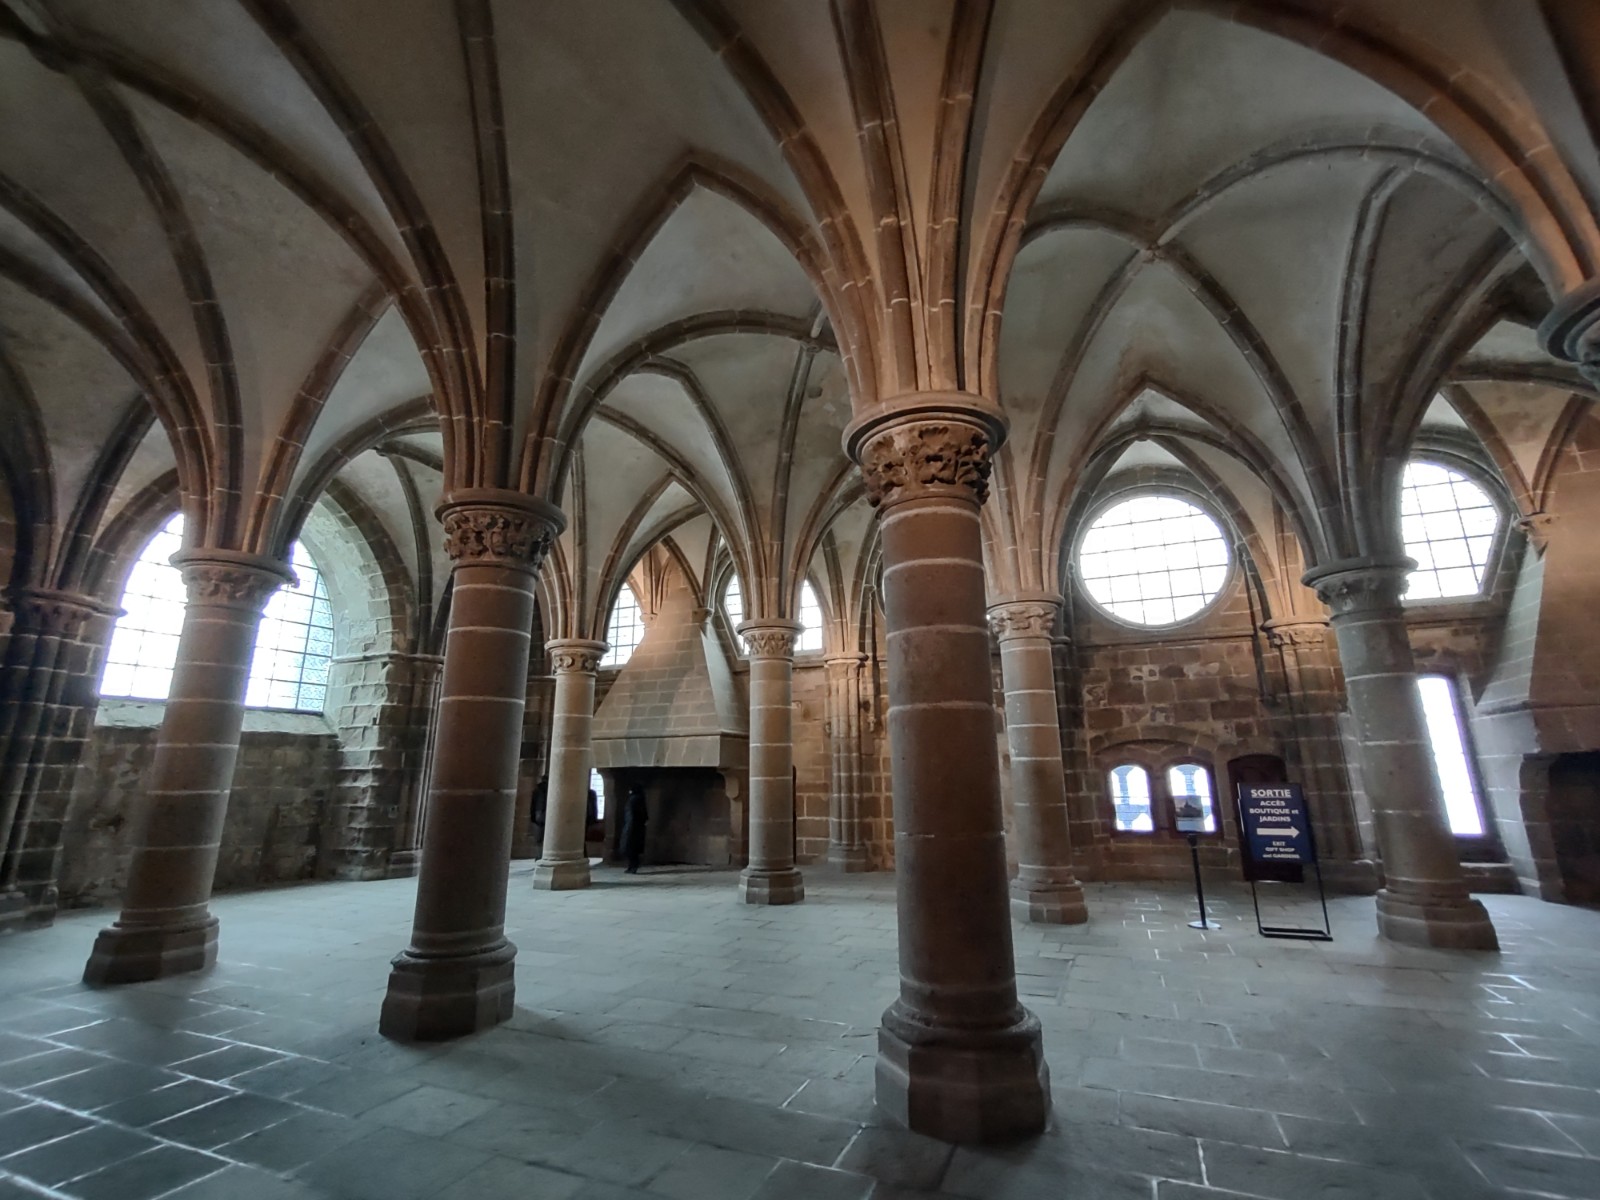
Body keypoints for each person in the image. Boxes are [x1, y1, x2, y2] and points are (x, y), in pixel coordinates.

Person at [620, 786, 648, 874]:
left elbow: (632, 814)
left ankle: (632, 866)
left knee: (631, 848)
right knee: (633, 849)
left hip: (632, 828)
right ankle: (632, 866)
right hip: (636, 828)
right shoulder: (639, 799)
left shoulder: (634, 799)